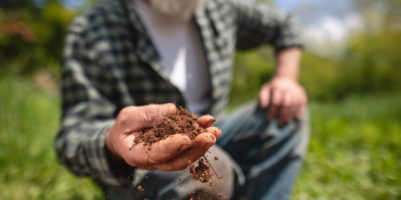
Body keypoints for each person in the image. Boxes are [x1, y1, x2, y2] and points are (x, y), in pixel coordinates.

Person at [56, 0, 309, 199]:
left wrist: (286, 78)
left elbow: (286, 24)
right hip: (140, 169)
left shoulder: (219, 9)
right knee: (207, 171)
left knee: (285, 113)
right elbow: (73, 137)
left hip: (215, 137)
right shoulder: (94, 28)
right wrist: (112, 141)